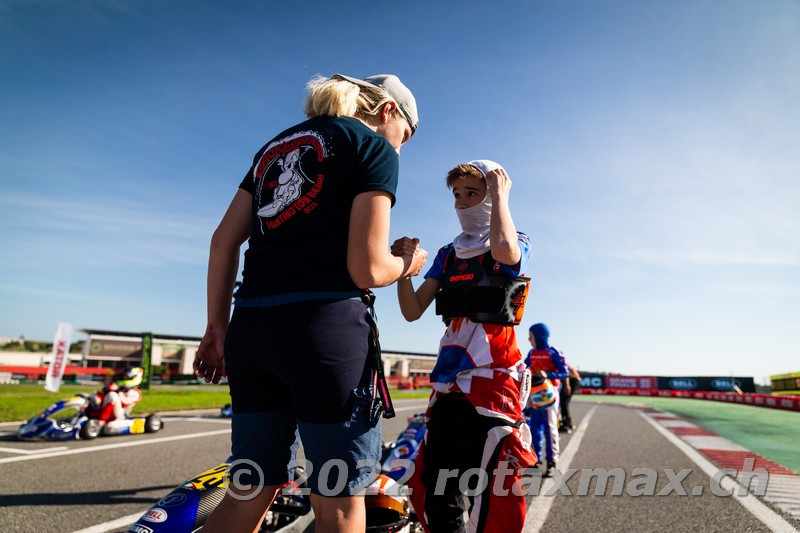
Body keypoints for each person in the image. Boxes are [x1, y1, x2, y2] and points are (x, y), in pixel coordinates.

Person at [192, 73, 427, 533]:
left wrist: (216, 328)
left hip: (252, 329)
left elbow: (224, 241)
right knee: (339, 500)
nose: (401, 148)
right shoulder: (373, 148)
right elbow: (368, 269)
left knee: (249, 489)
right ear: (389, 113)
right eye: (407, 137)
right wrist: (408, 263)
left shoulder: (273, 147)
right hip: (324, 331)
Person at [391, 160, 537, 533]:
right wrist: (405, 271)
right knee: (440, 494)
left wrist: (502, 195)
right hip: (447, 389)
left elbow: (504, 249)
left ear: (492, 194)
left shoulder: (516, 241)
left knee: (493, 497)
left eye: (472, 193)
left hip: (493, 388)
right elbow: (411, 311)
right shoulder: (448, 254)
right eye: (456, 195)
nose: (461, 203)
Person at [524, 323, 568, 478]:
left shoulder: (553, 352)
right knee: (534, 428)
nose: (529, 339)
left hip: (550, 395)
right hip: (534, 395)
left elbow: (564, 372)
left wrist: (547, 375)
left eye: (531, 336)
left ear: (539, 336)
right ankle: (535, 462)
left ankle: (552, 464)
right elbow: (524, 368)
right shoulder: (531, 353)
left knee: (550, 428)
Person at [559, 363, 581, 433]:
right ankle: (568, 423)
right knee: (564, 403)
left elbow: (565, 372)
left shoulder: (555, 359)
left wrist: (567, 385)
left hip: (572, 380)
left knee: (564, 403)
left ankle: (565, 424)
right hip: (573, 380)